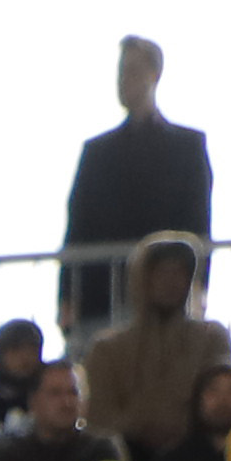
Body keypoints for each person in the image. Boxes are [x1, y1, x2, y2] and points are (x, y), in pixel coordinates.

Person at [64, 40, 214, 346]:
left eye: (132, 70)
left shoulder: (187, 147)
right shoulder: (97, 152)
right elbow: (77, 225)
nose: (124, 80)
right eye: (121, 72)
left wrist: (199, 285)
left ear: (155, 75)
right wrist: (67, 296)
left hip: (170, 295)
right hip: (100, 296)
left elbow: (199, 223)